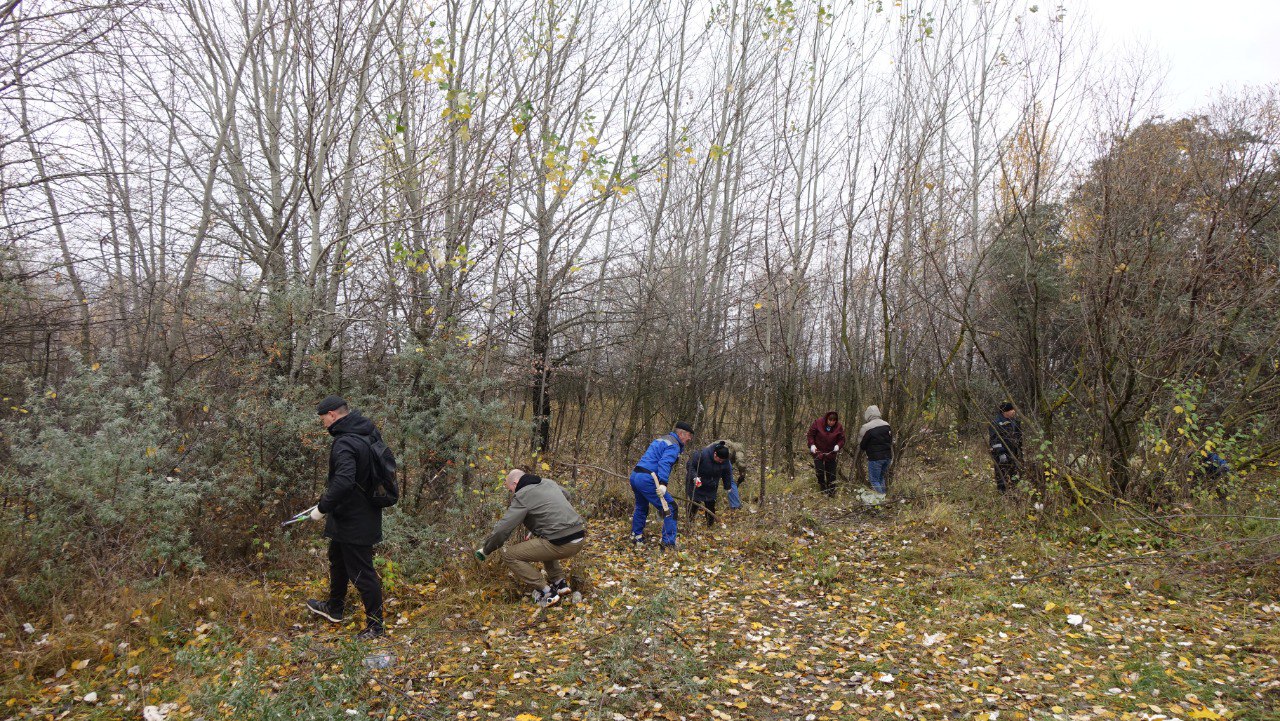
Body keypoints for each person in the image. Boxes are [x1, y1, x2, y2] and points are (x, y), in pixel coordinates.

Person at [305, 395, 387, 640]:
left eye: (323, 420)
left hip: (354, 518)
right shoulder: (368, 432)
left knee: (362, 573)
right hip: (359, 513)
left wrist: (322, 508)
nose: (324, 425)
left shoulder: (345, 442)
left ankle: (376, 626)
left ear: (332, 414)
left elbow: (344, 480)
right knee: (337, 559)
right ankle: (335, 607)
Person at [475, 469, 586, 607]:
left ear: (515, 483)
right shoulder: (548, 482)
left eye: (511, 490)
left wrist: (486, 550)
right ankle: (559, 583)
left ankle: (546, 592)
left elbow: (503, 529)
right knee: (545, 538)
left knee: (508, 554)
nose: (512, 494)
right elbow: (567, 495)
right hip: (580, 536)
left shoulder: (522, 495)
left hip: (562, 544)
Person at [629, 421, 693, 549]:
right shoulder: (673, 445)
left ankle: (636, 537)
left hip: (636, 475)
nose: (689, 439)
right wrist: (663, 483)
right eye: (689, 435)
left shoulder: (662, 439)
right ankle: (668, 543)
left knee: (641, 507)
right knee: (670, 508)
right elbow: (665, 463)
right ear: (681, 434)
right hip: (648, 479)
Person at [685, 441, 734, 527]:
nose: (720, 462)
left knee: (710, 507)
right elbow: (690, 465)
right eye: (719, 459)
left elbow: (727, 472)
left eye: (723, 461)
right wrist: (695, 477)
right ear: (715, 454)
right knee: (694, 504)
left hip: (711, 485)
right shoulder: (702, 454)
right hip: (697, 484)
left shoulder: (725, 460)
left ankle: (710, 526)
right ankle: (689, 523)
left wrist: (728, 486)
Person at [807, 411, 845, 497]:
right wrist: (812, 444)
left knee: (831, 473)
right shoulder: (818, 423)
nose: (831, 422)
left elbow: (842, 439)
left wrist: (838, 446)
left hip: (831, 452)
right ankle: (822, 486)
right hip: (818, 451)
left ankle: (831, 491)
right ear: (826, 419)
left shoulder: (838, 427)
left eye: (834, 420)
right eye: (830, 420)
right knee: (819, 470)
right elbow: (810, 435)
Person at [856, 405, 893, 495]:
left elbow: (862, 445)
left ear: (867, 415)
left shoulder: (866, 427)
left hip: (875, 458)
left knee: (874, 480)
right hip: (888, 457)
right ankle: (884, 498)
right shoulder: (886, 424)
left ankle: (881, 501)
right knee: (881, 478)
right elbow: (890, 440)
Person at [988, 402, 1024, 494]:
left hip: (1014, 452)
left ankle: (1014, 491)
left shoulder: (1015, 422)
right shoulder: (996, 423)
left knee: (1014, 472)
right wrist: (1001, 453)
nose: (1014, 411)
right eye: (1011, 410)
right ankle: (1002, 492)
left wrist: (1020, 452)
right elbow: (994, 440)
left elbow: (1019, 438)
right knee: (1001, 472)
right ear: (1005, 412)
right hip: (1001, 453)